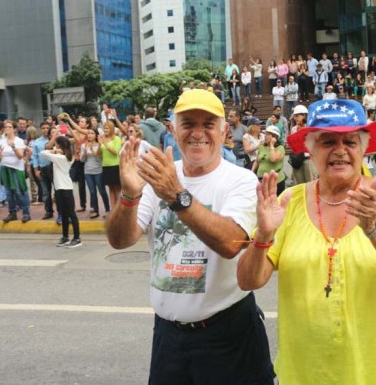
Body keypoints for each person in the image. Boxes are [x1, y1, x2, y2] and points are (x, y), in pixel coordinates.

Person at [236, 98, 376, 384]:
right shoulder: (291, 200)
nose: (340, 151)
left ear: (364, 149)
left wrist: (374, 227)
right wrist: (263, 235)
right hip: (305, 373)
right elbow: (249, 281)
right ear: (310, 150)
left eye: (350, 142)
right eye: (327, 142)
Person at [105, 89, 274, 384]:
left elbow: (232, 243)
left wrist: (176, 195)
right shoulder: (160, 175)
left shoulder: (241, 180)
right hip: (168, 336)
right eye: (188, 124)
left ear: (224, 133)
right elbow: (120, 240)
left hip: (228, 335)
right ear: (174, 130)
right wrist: (130, 195)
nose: (198, 133)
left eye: (208, 124)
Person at [42, 136, 82, 248]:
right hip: (59, 188)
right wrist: (57, 151)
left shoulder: (61, 158)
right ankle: (65, 237)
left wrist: (54, 150)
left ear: (59, 145)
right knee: (63, 214)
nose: (54, 146)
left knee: (71, 214)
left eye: (56, 144)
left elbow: (43, 152)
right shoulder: (63, 156)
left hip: (66, 188)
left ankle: (77, 238)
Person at [0, 121, 31, 223]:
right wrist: (0, 154)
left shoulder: (19, 141)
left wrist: (13, 147)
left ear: (14, 129)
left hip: (16, 169)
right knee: (8, 193)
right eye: (5, 127)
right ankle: (12, 213)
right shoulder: (1, 141)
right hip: (5, 168)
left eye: (9, 127)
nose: (7, 129)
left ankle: (26, 213)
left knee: (19, 192)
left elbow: (20, 156)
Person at [81, 128, 110, 219]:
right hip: (87, 171)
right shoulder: (84, 145)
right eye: (88, 133)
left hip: (98, 171)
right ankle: (96, 211)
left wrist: (93, 150)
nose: (89, 135)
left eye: (92, 133)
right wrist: (86, 151)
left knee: (102, 191)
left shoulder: (99, 145)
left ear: (96, 135)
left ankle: (107, 209)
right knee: (92, 191)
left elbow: (99, 159)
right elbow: (82, 160)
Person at [253, 126, 286, 195]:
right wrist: (252, 171)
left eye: (268, 134)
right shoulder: (262, 147)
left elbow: (273, 159)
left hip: (276, 181)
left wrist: (271, 145)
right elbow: (257, 161)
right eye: (265, 134)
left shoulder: (280, 148)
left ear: (275, 137)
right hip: (261, 180)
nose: (265, 136)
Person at [31, 122, 54, 219]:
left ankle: (61, 213)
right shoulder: (36, 142)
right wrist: (36, 170)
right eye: (43, 128)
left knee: (58, 191)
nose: (45, 129)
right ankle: (48, 211)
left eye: (47, 128)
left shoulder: (55, 139)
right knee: (45, 192)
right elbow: (35, 157)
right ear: (40, 129)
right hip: (43, 169)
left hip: (54, 168)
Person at [99, 120, 123, 210]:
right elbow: (99, 153)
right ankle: (113, 209)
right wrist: (99, 144)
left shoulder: (117, 139)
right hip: (105, 166)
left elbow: (115, 152)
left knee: (117, 189)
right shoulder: (102, 138)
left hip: (115, 166)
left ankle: (118, 208)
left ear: (111, 129)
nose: (105, 130)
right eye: (104, 128)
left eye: (107, 128)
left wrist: (105, 144)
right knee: (111, 189)